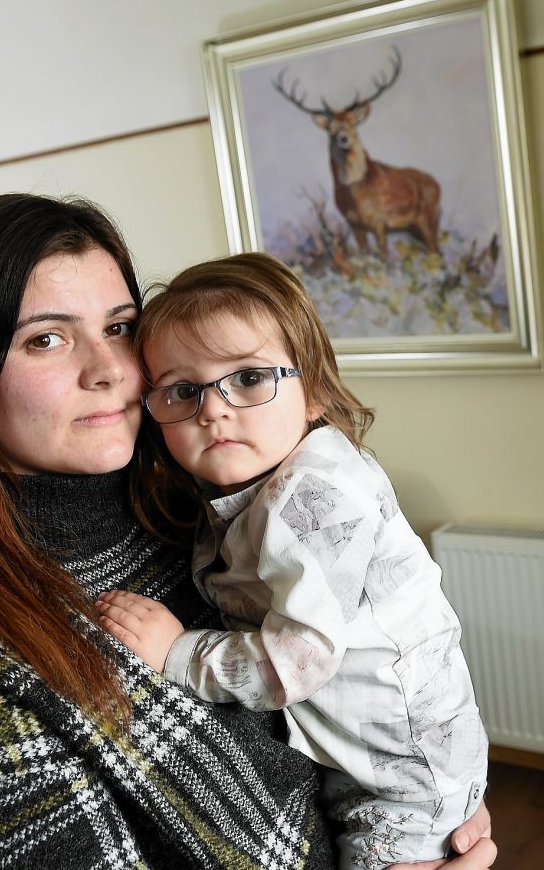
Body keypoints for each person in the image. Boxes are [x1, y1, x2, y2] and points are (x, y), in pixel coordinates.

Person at [0, 193, 496, 869]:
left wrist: (434, 806)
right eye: (46, 338)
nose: (111, 371)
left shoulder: (205, 516)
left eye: (121, 328)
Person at [96, 253, 489, 869]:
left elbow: (299, 660)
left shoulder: (311, 497)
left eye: (250, 378)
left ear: (316, 395)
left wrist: (177, 654)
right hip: (371, 758)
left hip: (400, 779)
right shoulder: (243, 487)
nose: (214, 408)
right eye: (182, 389)